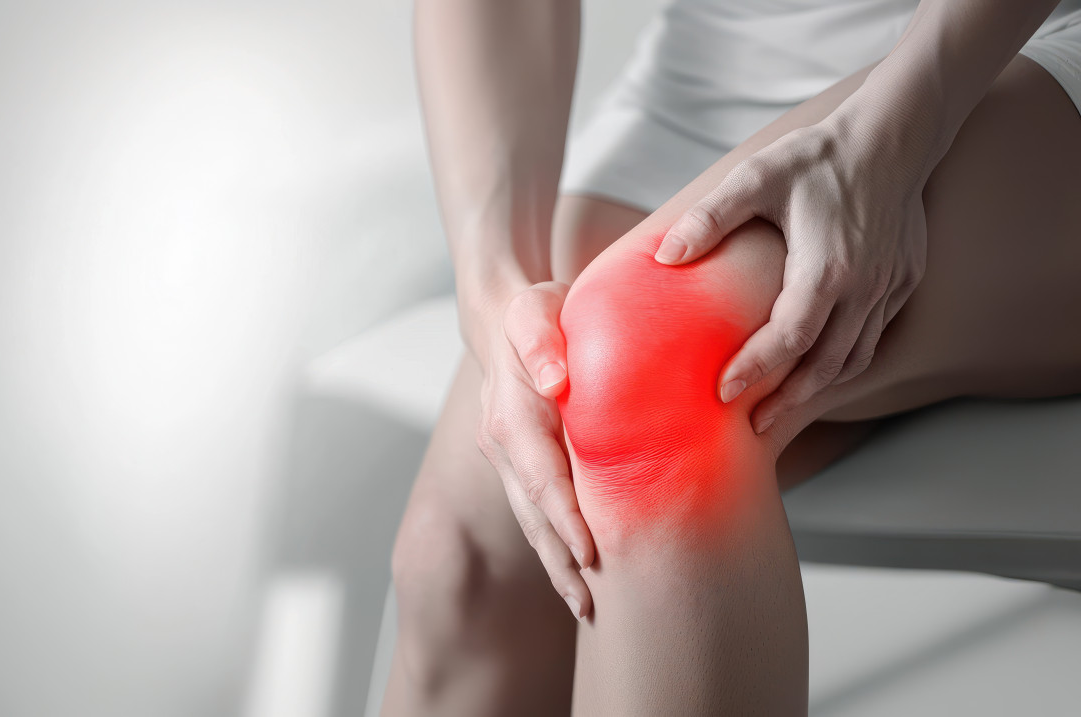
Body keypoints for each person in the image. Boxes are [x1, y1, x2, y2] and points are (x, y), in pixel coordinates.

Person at [382, 0, 1081, 713]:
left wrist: (891, 136)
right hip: (702, 89)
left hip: (1003, 54)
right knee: (462, 567)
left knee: (641, 383)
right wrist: (492, 287)